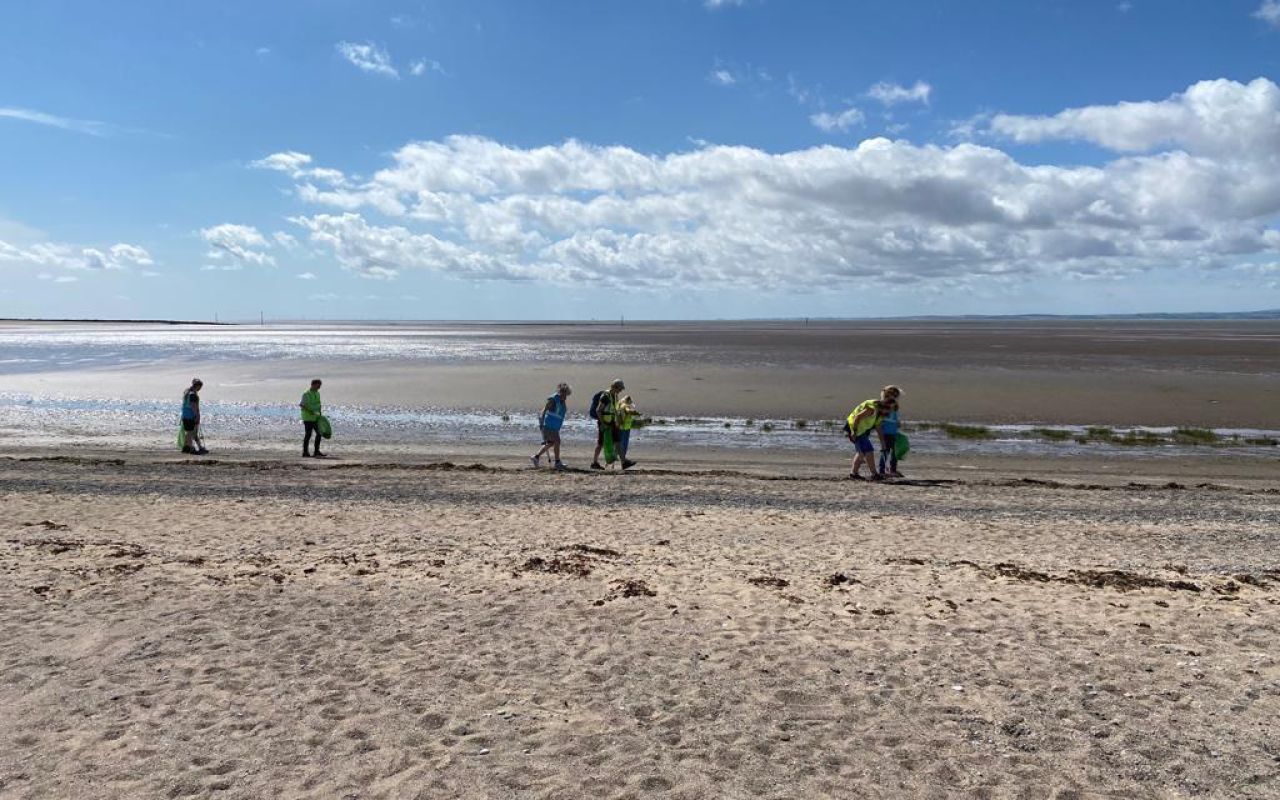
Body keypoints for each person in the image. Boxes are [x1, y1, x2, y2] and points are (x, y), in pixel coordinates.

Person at [591, 379, 635, 471]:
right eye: (620, 389)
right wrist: (603, 424)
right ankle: (594, 463)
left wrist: (617, 421)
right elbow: (598, 410)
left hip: (612, 422)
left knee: (617, 441)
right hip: (604, 423)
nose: (620, 391)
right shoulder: (605, 396)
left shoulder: (615, 396)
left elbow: (614, 410)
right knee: (600, 443)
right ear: (614, 387)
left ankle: (624, 462)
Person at [845, 396, 889, 481]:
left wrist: (883, 443)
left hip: (861, 431)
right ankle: (873, 474)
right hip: (854, 428)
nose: (888, 413)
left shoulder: (880, 415)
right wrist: (853, 431)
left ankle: (854, 474)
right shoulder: (871, 409)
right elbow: (857, 417)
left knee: (862, 453)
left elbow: (879, 429)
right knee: (867, 451)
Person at [532, 383, 571, 470]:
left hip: (555, 426)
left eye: (566, 394)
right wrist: (541, 423)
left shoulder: (562, 400)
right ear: (560, 392)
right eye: (564, 394)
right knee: (557, 441)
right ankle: (557, 462)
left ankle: (536, 457)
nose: (565, 396)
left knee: (551, 443)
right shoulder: (553, 399)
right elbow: (544, 409)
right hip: (548, 424)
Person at [878, 386, 904, 478]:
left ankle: (893, 469)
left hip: (894, 432)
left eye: (895, 395)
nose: (893, 397)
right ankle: (881, 470)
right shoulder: (883, 406)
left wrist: (898, 423)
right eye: (891, 395)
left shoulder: (895, 407)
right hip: (885, 433)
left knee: (895, 452)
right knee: (885, 451)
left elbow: (896, 418)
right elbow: (880, 422)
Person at [180, 378, 207, 455]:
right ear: (197, 386)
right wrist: (196, 416)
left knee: (192, 433)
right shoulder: (193, 394)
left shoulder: (187, 392)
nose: (200, 389)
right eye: (200, 387)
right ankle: (191, 448)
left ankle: (189, 447)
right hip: (190, 416)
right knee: (190, 433)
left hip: (185, 415)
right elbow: (193, 406)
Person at [299, 379, 325, 458]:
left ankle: (316, 451)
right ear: (313, 385)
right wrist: (310, 411)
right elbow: (302, 405)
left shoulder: (317, 393)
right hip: (307, 418)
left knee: (319, 433)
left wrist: (320, 414)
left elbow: (318, 404)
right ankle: (305, 452)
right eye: (318, 385)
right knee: (308, 435)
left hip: (316, 417)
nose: (319, 387)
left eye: (320, 385)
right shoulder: (306, 394)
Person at [616, 394, 640, 466]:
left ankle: (623, 461)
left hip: (622, 427)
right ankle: (623, 462)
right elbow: (628, 411)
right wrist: (635, 413)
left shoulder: (619, 403)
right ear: (628, 401)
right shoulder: (625, 405)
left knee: (621, 445)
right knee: (623, 445)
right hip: (624, 428)